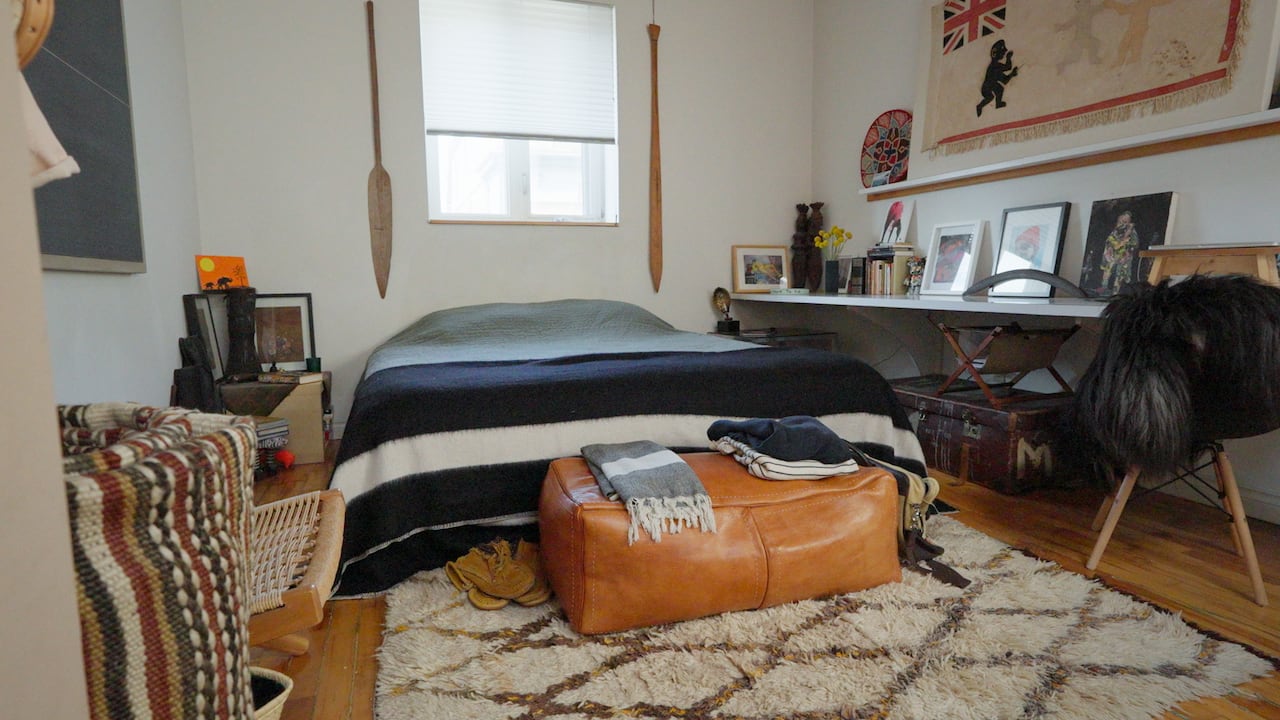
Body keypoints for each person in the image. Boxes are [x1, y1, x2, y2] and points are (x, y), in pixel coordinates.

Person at [1099, 211, 1138, 293]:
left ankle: (1116, 291)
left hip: (1124, 255)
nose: (1123, 222)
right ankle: (1104, 287)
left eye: (1126, 220)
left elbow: (1134, 244)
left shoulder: (1132, 232)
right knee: (1107, 270)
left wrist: (1127, 252)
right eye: (1122, 219)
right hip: (1113, 254)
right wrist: (1109, 248)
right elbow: (1109, 240)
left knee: (1120, 274)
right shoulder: (1115, 231)